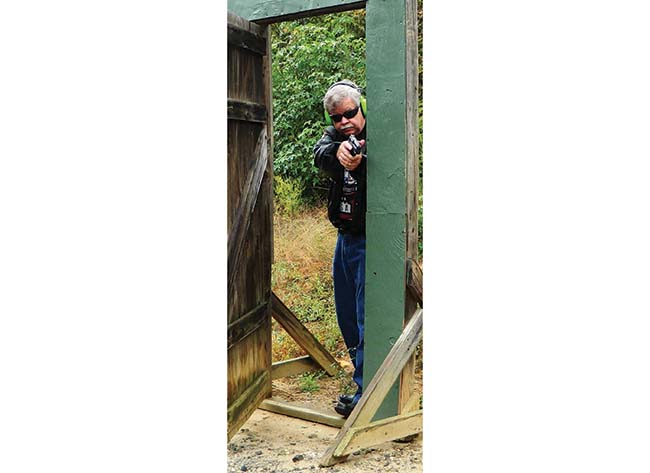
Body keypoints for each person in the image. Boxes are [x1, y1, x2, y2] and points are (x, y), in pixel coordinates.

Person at [313, 80, 367, 417]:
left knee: (365, 317)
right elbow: (319, 154)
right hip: (344, 236)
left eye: (350, 113)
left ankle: (367, 391)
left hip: (369, 238)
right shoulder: (333, 137)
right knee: (346, 314)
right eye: (337, 117)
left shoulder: (379, 135)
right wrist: (338, 153)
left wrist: (362, 160)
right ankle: (361, 382)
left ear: (361, 109)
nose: (344, 121)